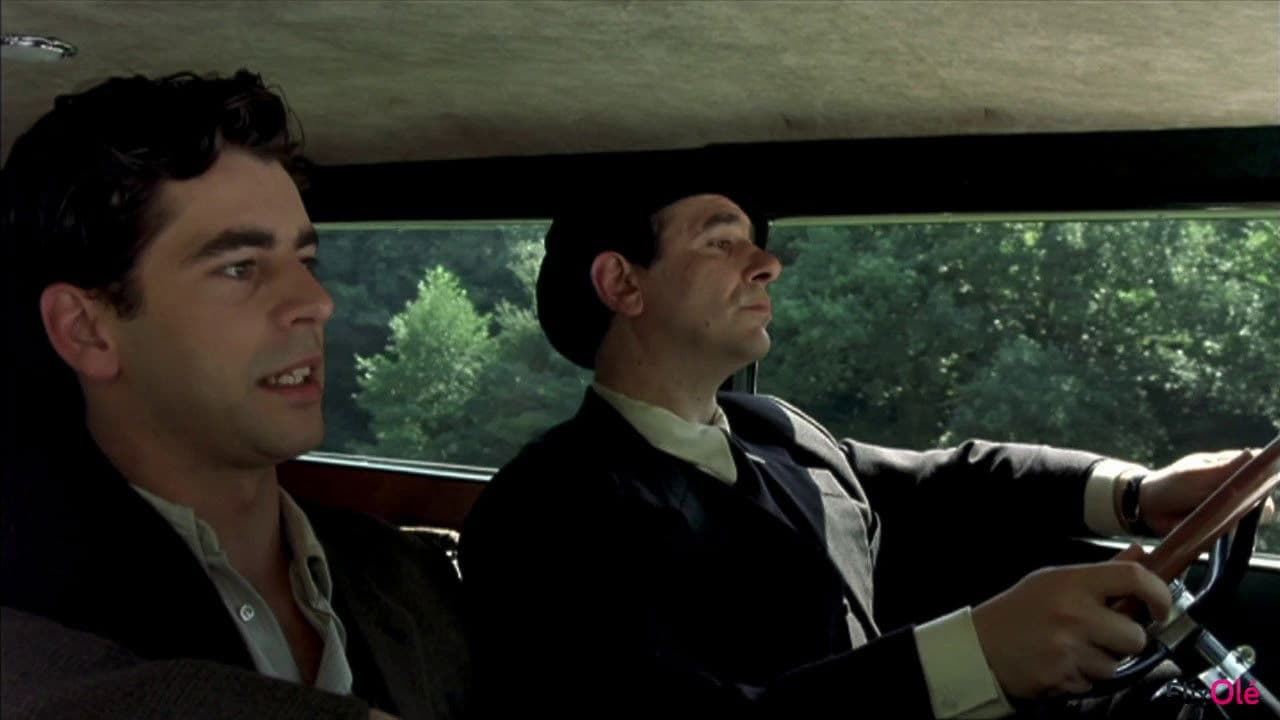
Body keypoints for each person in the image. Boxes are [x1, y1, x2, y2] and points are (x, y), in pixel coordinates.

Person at [459, 189, 1268, 719]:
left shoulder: (774, 429)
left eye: (756, 243)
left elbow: (948, 481)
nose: (767, 263)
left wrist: (1138, 493)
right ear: (622, 284)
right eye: (721, 240)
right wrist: (977, 656)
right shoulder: (542, 511)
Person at [1, 71, 472, 720]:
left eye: (305, 262)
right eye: (240, 268)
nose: (317, 302)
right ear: (87, 330)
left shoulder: (408, 577)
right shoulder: (26, 605)